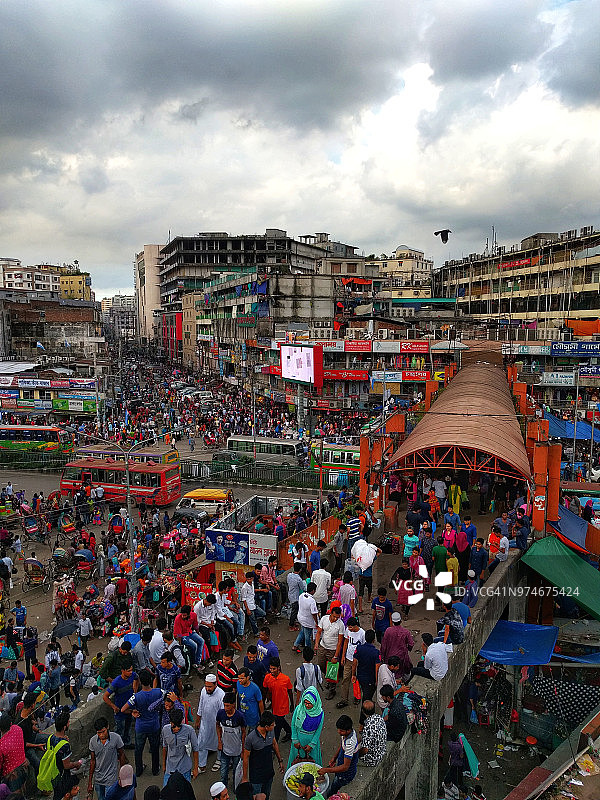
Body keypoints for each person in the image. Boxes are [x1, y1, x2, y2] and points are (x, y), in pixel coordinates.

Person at [122, 668, 162, 778]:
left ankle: (139, 770)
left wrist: (132, 712)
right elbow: (169, 696)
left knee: (138, 749)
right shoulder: (158, 692)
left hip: (141, 726)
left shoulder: (136, 696)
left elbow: (123, 709)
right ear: (151, 680)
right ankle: (155, 769)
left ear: (140, 681)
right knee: (154, 748)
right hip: (154, 725)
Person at [242, 710, 285, 800]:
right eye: (272, 725)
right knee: (256, 797)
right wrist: (245, 778)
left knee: (266, 796)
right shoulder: (250, 738)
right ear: (266, 727)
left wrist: (280, 760)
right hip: (256, 777)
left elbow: (274, 744)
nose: (274, 726)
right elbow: (245, 757)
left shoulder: (271, 732)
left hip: (269, 773)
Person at [318, 714, 359, 797]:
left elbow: (345, 767)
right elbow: (342, 745)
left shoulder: (350, 743)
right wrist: (334, 758)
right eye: (338, 729)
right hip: (341, 764)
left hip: (345, 774)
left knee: (335, 786)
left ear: (348, 730)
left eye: (341, 731)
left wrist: (326, 770)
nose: (339, 732)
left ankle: (330, 796)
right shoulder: (347, 734)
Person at [45, 711, 83, 800]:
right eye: (68, 722)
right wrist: (76, 764)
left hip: (52, 774)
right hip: (62, 776)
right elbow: (66, 765)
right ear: (64, 727)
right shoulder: (65, 745)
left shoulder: (50, 738)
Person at [88, 716, 127, 800]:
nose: (101, 735)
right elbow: (92, 761)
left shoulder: (116, 738)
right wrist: (90, 782)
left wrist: (122, 775)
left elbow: (122, 755)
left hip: (111, 778)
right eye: (99, 733)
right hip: (98, 779)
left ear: (107, 727)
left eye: (103, 731)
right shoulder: (92, 741)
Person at [161, 707, 199, 786]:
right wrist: (164, 766)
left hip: (184, 769)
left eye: (179, 726)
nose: (177, 728)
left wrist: (195, 768)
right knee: (166, 790)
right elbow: (165, 748)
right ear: (170, 722)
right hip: (170, 769)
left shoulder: (189, 730)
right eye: (174, 726)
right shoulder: (165, 730)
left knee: (185, 791)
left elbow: (195, 749)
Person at [195, 674, 225, 774]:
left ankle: (219, 760)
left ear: (215, 684)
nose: (207, 688)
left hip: (216, 725)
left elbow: (222, 713)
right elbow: (200, 706)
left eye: (210, 687)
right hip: (205, 723)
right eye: (206, 686)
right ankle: (202, 766)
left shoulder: (221, 695)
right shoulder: (203, 691)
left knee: (219, 742)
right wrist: (198, 720)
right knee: (201, 743)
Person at [288, 686, 323, 769]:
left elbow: (318, 730)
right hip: (298, 741)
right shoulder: (299, 709)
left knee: (312, 765)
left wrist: (312, 744)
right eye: (305, 702)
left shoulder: (320, 713)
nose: (306, 705)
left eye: (309, 703)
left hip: (311, 742)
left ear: (315, 702)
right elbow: (293, 725)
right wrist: (295, 740)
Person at [314, 605, 345, 701]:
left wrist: (336, 656)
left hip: (333, 650)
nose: (335, 619)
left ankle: (332, 689)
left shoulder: (341, 625)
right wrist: (316, 643)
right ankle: (327, 678)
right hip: (323, 647)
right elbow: (319, 632)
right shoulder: (324, 619)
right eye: (334, 616)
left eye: (337, 617)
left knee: (332, 671)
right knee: (321, 665)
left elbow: (340, 642)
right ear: (331, 614)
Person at [216, 692, 246, 788]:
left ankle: (236, 787)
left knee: (236, 771)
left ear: (233, 705)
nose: (225, 708)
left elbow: (243, 733)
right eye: (224, 705)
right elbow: (217, 725)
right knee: (223, 772)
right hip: (225, 749)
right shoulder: (220, 713)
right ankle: (223, 789)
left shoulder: (240, 716)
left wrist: (243, 750)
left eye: (228, 706)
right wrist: (219, 742)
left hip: (237, 750)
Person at [103, 664, 139, 747]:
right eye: (128, 671)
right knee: (119, 730)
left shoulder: (133, 675)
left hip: (130, 708)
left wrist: (135, 690)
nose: (131, 672)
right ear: (122, 670)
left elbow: (137, 679)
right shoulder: (116, 682)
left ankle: (127, 743)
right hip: (120, 711)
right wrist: (113, 706)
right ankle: (117, 747)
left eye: (131, 670)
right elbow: (105, 697)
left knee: (128, 728)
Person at [262, 657, 293, 742]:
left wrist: (292, 704)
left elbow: (290, 691)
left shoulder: (285, 679)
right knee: (280, 720)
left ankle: (275, 741)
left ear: (278, 668)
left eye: (274, 669)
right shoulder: (267, 678)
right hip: (274, 704)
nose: (272, 671)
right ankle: (289, 731)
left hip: (283, 706)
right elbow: (265, 690)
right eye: (270, 668)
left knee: (277, 726)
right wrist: (265, 701)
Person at [337, 616, 365, 709]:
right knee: (345, 678)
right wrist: (343, 656)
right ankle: (344, 699)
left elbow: (364, 647)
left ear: (355, 626)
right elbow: (345, 642)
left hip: (358, 661)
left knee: (356, 680)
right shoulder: (348, 630)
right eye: (348, 627)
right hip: (348, 659)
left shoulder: (362, 634)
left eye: (351, 627)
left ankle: (357, 696)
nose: (349, 629)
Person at [0, 712, 28, 795]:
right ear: (11, 723)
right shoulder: (17, 728)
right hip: (24, 767)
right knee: (23, 790)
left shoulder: (2, 745)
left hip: (12, 776)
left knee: (15, 795)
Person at [380, 612, 414, 677]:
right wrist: (407, 649)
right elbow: (411, 644)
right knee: (401, 673)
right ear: (400, 621)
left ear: (392, 621)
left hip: (389, 656)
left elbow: (384, 645)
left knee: (390, 674)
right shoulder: (406, 632)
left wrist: (382, 656)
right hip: (401, 656)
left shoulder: (388, 631)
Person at [352, 629, 380, 702]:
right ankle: (366, 708)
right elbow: (377, 667)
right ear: (374, 640)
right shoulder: (376, 652)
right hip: (370, 679)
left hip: (360, 676)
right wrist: (377, 681)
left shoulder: (359, 648)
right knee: (367, 698)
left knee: (364, 692)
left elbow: (354, 662)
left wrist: (353, 674)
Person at [358, 700, 387, 766]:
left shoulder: (368, 727)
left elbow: (365, 750)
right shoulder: (379, 717)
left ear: (363, 711)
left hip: (374, 759)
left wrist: (356, 754)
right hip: (382, 750)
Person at [236, 667, 264, 732]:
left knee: (252, 734)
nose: (240, 680)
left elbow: (260, 702)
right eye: (239, 678)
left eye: (242, 678)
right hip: (242, 715)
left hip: (252, 717)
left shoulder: (255, 688)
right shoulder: (238, 684)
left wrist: (262, 716)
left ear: (248, 677)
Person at [293, 583, 319, 653]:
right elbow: (314, 614)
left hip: (300, 617)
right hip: (307, 621)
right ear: (313, 590)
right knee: (307, 637)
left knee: (302, 632)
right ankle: (308, 651)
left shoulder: (301, 595)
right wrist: (316, 622)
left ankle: (295, 645)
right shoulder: (312, 601)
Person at [287, 563, 305, 630]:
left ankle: (293, 621)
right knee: (294, 611)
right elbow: (302, 588)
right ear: (300, 570)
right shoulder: (298, 579)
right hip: (295, 596)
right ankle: (291, 625)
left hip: (290, 594)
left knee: (294, 609)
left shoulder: (289, 575)